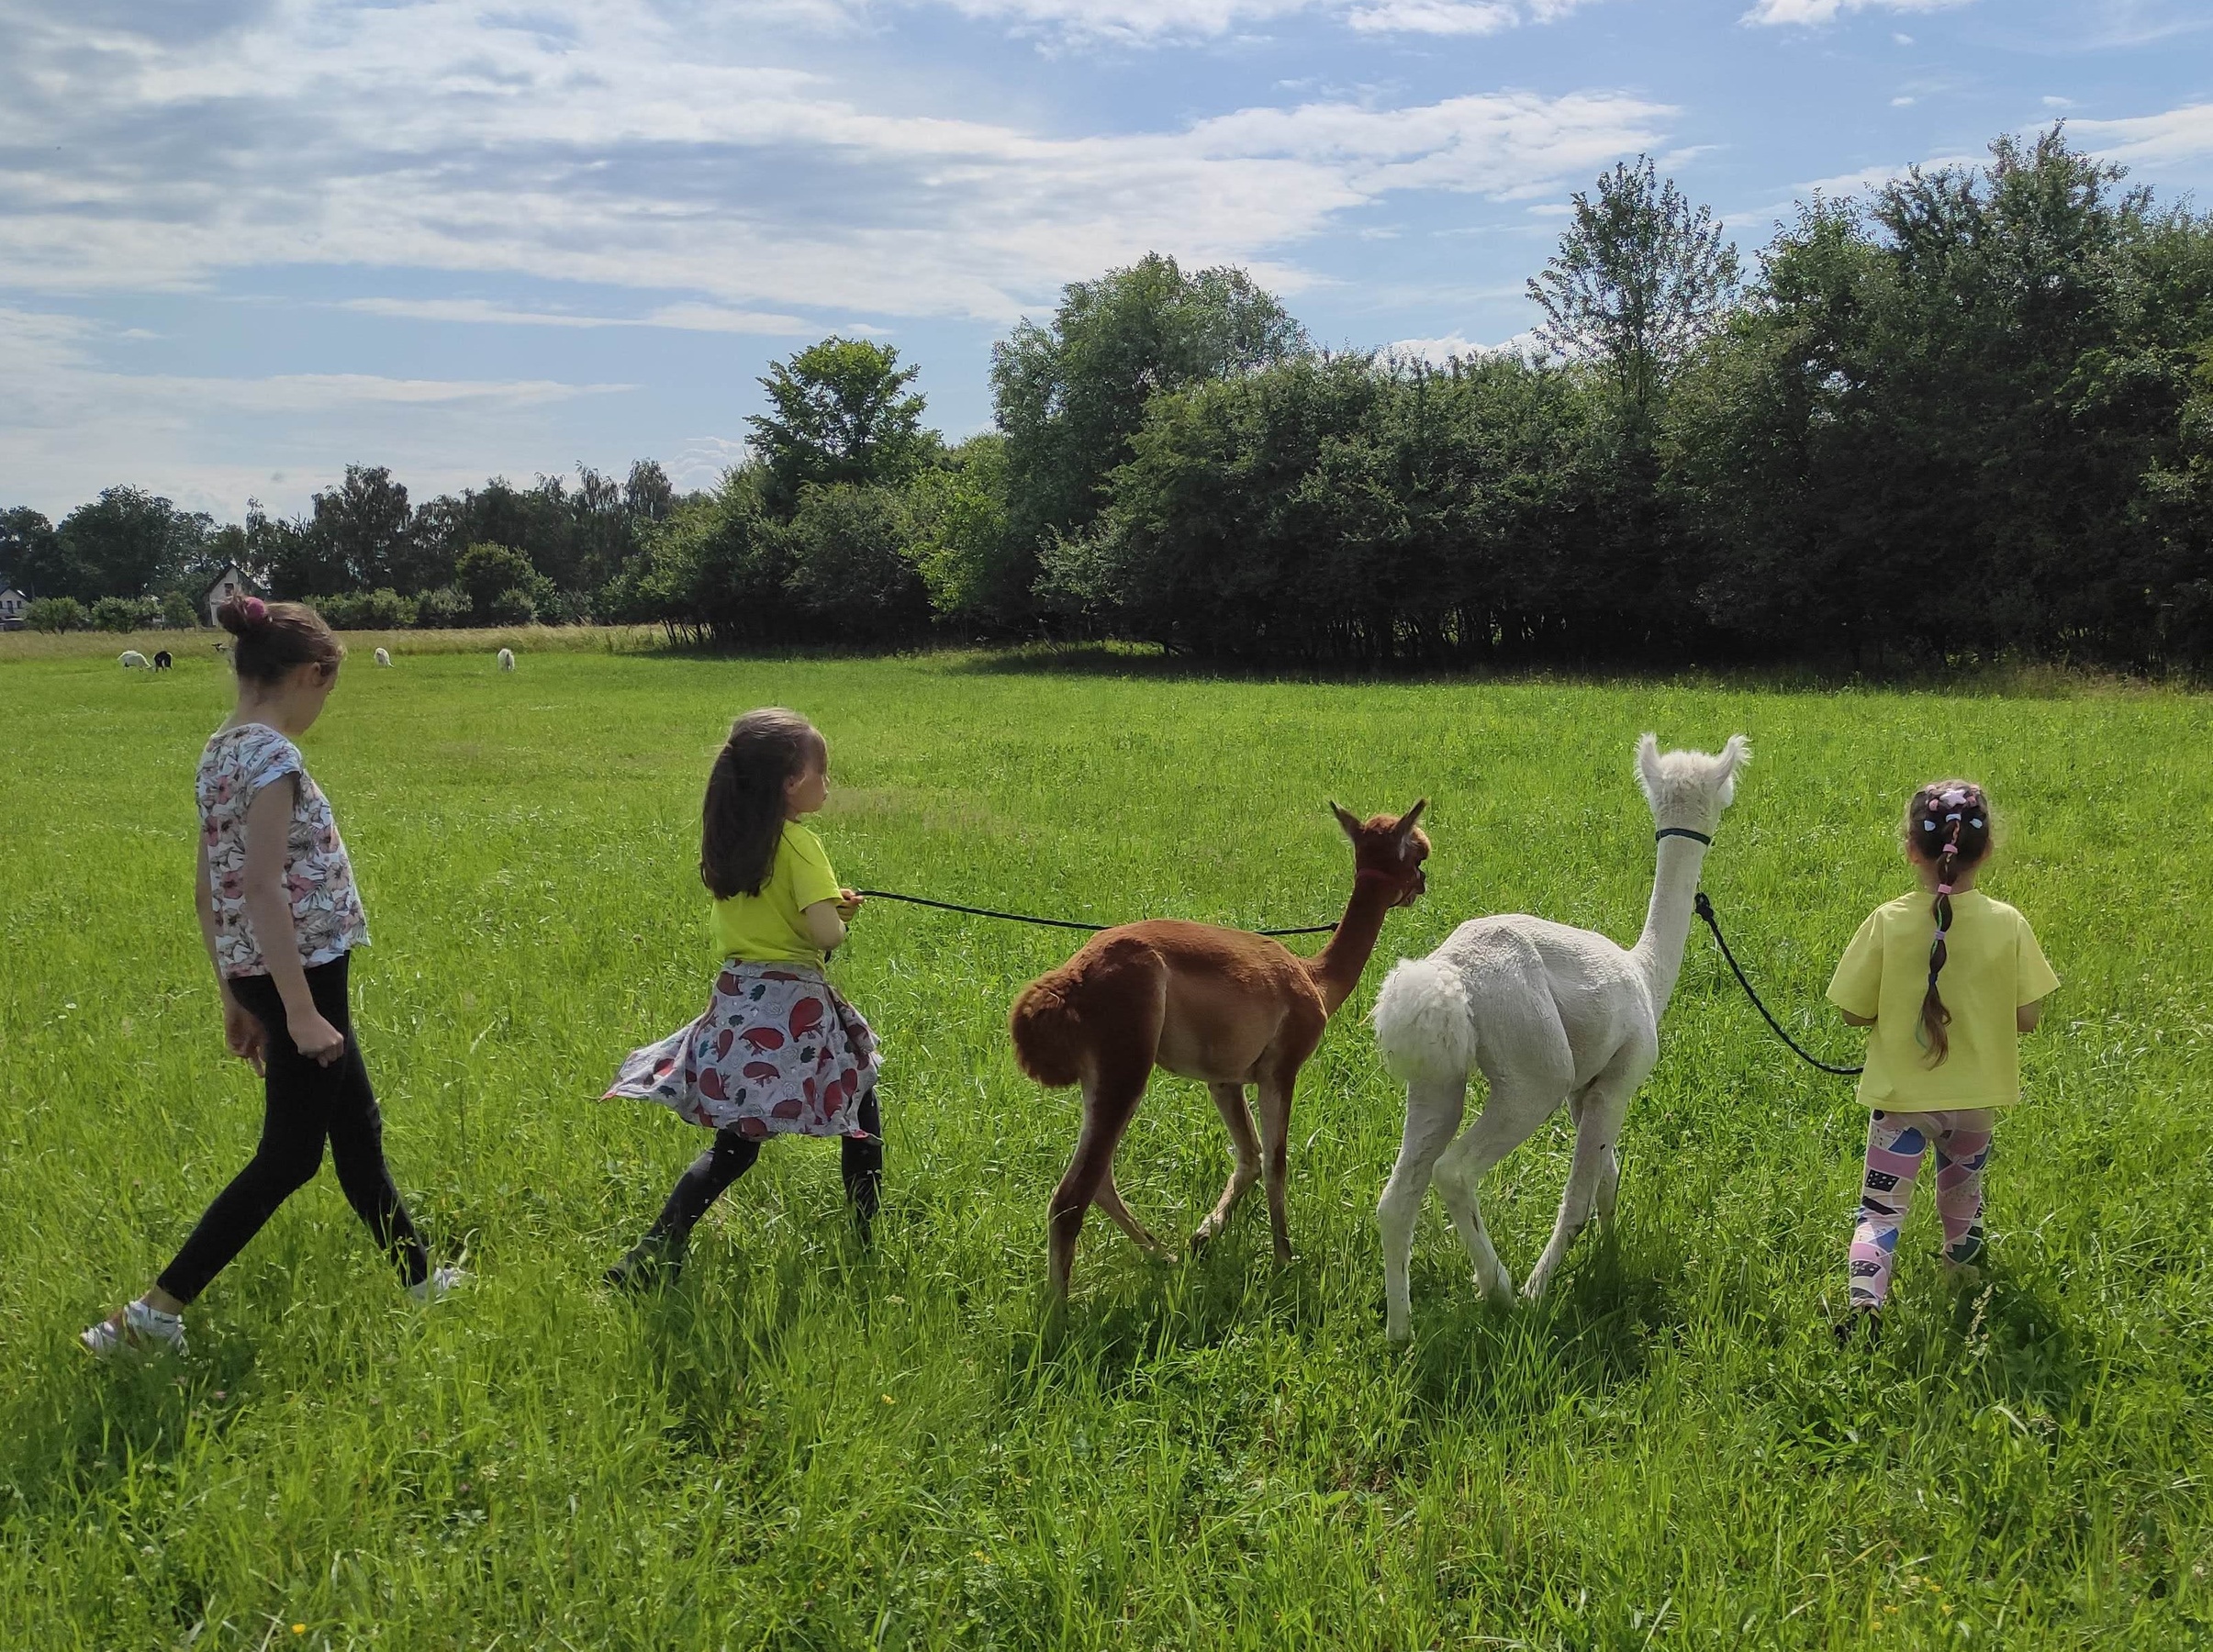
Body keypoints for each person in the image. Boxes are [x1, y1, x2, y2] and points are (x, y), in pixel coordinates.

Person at [83, 597, 460, 1357]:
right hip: (303, 980)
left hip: (267, 975)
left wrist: (234, 994)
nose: (324, 704)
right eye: (329, 689)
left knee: (357, 1133)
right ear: (312, 675)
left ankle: (420, 1281)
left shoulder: (219, 750)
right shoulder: (275, 760)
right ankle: (151, 1317)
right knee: (289, 1157)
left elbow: (207, 889)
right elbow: (260, 887)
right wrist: (296, 1010)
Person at [603, 709, 881, 1288]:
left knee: (735, 1143)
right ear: (788, 782)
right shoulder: (802, 847)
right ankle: (864, 1237)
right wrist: (834, 914)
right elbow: (825, 935)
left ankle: (653, 1251)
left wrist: (825, 902)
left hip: (738, 999)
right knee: (859, 1101)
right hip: (794, 1008)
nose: (828, 783)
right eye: (821, 772)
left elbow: (772, 914)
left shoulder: (737, 842)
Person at [1826, 780, 2058, 1338]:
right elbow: (2028, 1018)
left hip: (1901, 1104)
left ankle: (1864, 1305)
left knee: (1880, 1212)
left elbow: (1852, 1014)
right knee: (1964, 1200)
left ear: (1911, 848)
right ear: (1988, 849)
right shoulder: (2009, 923)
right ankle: (1967, 1294)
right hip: (1976, 1104)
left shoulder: (1887, 920)